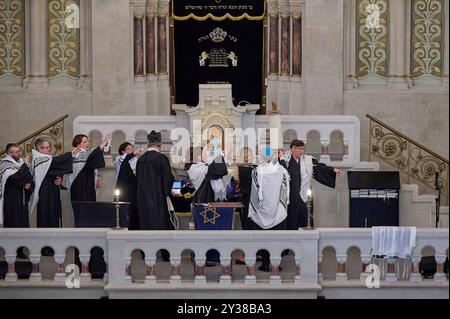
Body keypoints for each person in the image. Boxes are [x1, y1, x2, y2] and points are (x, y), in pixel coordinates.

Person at [279, 139, 342, 229]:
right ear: (293, 149)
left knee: (305, 219)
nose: (302, 151)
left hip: (305, 197)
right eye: (299, 149)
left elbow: (320, 167)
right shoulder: (285, 160)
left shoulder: (308, 160)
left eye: (303, 149)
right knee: (291, 221)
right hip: (291, 197)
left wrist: (333, 170)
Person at [29, 138, 73, 228]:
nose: (47, 149)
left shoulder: (49, 159)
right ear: (38, 149)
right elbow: (54, 165)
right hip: (43, 190)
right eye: (43, 148)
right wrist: (71, 154)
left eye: (48, 147)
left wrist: (60, 179)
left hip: (53, 189)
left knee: (54, 212)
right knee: (45, 213)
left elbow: (57, 169)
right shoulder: (38, 159)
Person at [136, 131, 174, 230]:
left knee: (145, 221)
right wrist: (168, 192)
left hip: (142, 196)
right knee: (158, 221)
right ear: (159, 144)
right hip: (158, 196)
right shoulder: (161, 158)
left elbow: (137, 178)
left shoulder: (140, 159)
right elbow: (167, 178)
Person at [68, 133, 111, 210]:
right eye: (85, 142)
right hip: (78, 182)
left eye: (87, 141)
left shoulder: (88, 152)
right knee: (80, 204)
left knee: (90, 203)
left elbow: (93, 165)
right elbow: (95, 153)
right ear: (78, 144)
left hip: (89, 181)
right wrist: (104, 142)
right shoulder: (75, 154)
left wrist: (97, 179)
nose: (87, 143)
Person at [0, 144, 33, 228]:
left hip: (21, 197)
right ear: (10, 153)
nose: (20, 153)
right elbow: (17, 179)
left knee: (23, 222)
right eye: (17, 152)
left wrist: (28, 186)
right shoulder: (6, 164)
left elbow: (28, 177)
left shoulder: (20, 163)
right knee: (13, 222)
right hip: (11, 199)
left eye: (19, 151)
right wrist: (25, 165)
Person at [115, 142, 143, 230]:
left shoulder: (133, 158)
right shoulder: (119, 159)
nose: (131, 150)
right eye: (128, 149)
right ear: (123, 151)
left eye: (131, 148)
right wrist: (133, 154)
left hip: (132, 187)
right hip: (123, 187)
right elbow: (124, 164)